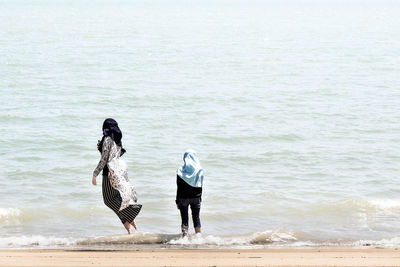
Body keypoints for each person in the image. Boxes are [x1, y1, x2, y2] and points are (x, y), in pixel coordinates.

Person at [92, 118, 142, 234]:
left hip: (109, 172)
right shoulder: (116, 139)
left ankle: (131, 214)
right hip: (119, 170)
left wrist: (95, 173)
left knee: (108, 199)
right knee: (117, 198)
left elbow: (104, 159)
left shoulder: (107, 139)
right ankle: (128, 221)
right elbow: (113, 154)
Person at [176, 149, 204, 236]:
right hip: (196, 197)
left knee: (184, 218)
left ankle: (185, 238)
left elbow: (179, 187)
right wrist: (200, 198)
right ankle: (198, 237)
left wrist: (177, 201)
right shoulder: (200, 170)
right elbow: (200, 185)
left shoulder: (180, 171)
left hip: (183, 198)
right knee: (196, 217)